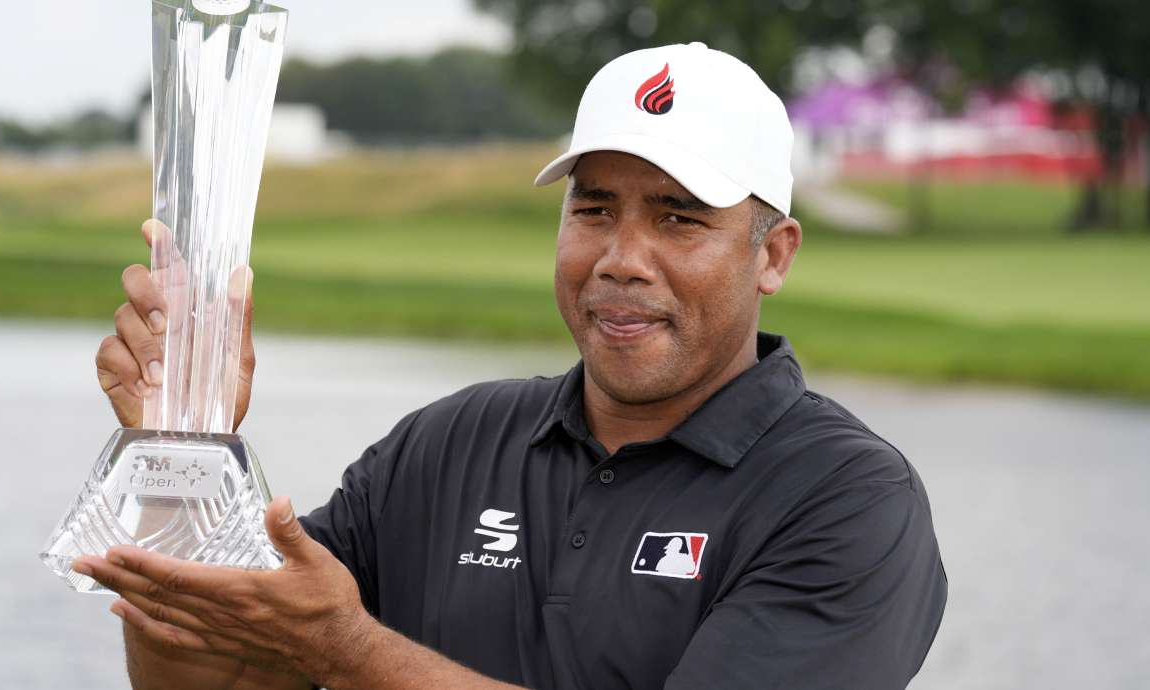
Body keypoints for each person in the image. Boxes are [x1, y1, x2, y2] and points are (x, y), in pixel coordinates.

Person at [75, 42, 947, 690]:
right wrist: (183, 454)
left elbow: (331, 645)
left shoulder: (847, 499)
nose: (622, 259)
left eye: (679, 219)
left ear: (773, 255)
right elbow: (222, 680)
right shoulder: (447, 442)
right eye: (594, 210)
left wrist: (348, 649)